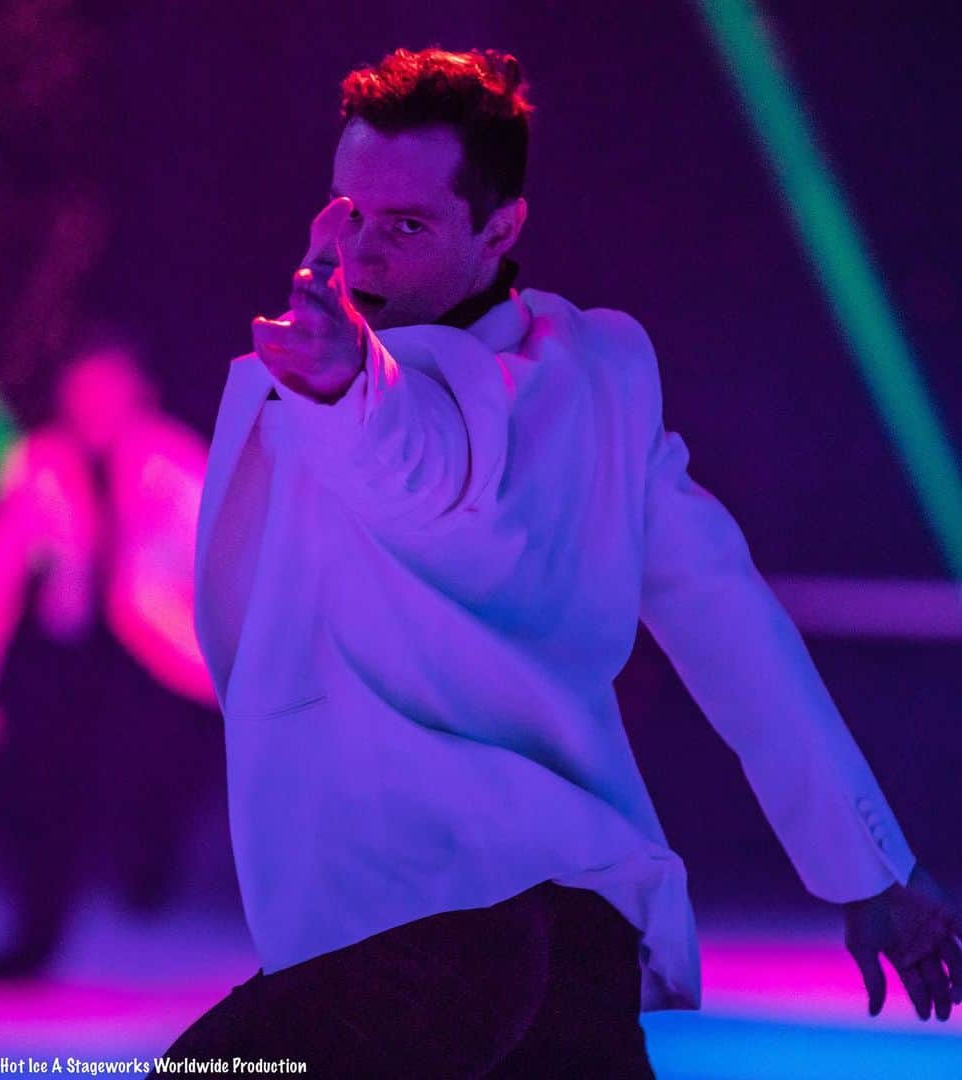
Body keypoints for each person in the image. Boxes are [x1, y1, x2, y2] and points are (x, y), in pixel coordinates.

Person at [160, 47, 962, 1076]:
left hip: (420, 936)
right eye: (349, 213)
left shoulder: (421, 395)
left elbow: (420, 456)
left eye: (406, 226)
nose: (363, 257)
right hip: (570, 933)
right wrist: (866, 868)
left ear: (502, 230)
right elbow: (729, 622)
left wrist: (340, 383)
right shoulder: (605, 379)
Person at [0, 341, 217, 979]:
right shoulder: (43, 467)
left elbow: (224, 565)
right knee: (46, 795)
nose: (95, 405)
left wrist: (238, 667)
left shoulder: (171, 462)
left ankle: (151, 863)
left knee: (159, 777)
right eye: (83, 390)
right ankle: (34, 938)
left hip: (162, 660)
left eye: (108, 388)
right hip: (74, 655)